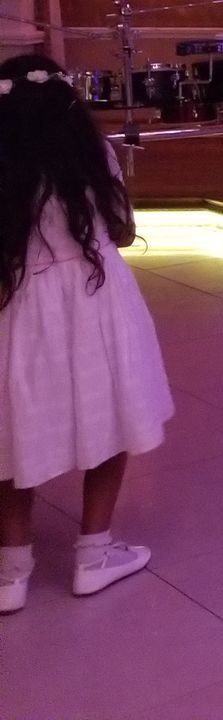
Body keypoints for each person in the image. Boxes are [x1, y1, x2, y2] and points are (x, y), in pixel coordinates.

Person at [0, 55, 173, 614]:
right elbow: (121, 230)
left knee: (9, 427)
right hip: (96, 301)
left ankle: (11, 569)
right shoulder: (92, 154)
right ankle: (93, 555)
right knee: (111, 416)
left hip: (17, 304)